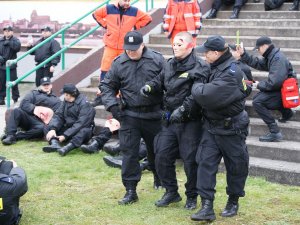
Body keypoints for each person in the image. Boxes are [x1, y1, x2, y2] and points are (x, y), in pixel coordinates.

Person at [140, 31, 210, 210]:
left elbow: (196, 95)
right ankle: (171, 191)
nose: (175, 47)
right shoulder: (169, 64)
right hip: (170, 119)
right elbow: (160, 80)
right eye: (173, 44)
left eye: (179, 44)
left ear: (189, 45)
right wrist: (150, 86)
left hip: (190, 121)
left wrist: (183, 110)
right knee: (161, 155)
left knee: (190, 160)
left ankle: (192, 195)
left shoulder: (200, 66)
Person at [100, 31, 164, 205]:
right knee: (129, 153)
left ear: (142, 45)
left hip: (154, 115)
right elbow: (106, 86)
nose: (131, 52)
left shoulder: (157, 60)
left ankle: (159, 177)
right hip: (129, 115)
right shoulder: (119, 62)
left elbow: (168, 83)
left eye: (134, 49)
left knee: (156, 151)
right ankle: (130, 190)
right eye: (128, 49)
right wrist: (113, 106)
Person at [190, 35, 250, 222]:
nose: (204, 56)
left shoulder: (231, 72)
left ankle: (233, 200)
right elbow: (246, 88)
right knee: (205, 163)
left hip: (231, 128)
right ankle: (206, 205)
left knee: (236, 166)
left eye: (206, 52)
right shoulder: (217, 66)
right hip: (212, 126)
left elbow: (205, 95)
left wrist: (197, 83)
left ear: (216, 53)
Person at [91, 0, 152, 106]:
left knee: (122, 72)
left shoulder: (134, 11)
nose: (127, 2)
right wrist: (106, 25)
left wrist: (135, 27)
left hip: (125, 47)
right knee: (105, 71)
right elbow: (95, 14)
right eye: (125, 0)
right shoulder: (109, 8)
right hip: (110, 45)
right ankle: (101, 95)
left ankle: (118, 97)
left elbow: (148, 19)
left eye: (129, 0)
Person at [236, 36, 296, 142]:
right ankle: (287, 112)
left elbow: (275, 83)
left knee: (258, 101)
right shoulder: (272, 56)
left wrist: (259, 85)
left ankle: (275, 132)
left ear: (264, 46)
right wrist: (243, 54)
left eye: (258, 49)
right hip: (282, 90)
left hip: (285, 92)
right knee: (260, 96)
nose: (258, 51)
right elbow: (258, 64)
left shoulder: (277, 59)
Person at [2, 77, 61, 145]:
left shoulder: (56, 100)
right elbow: (23, 104)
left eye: (48, 84)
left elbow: (58, 115)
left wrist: (47, 118)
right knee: (16, 111)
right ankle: (10, 135)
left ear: (51, 85)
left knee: (42, 129)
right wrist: (34, 109)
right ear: (41, 86)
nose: (46, 86)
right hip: (29, 117)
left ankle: (16, 137)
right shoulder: (33, 93)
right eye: (44, 85)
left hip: (41, 123)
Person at [42, 83, 95, 156]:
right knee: (47, 126)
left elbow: (81, 124)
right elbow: (59, 115)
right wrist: (53, 129)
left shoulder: (84, 104)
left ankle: (67, 148)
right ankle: (55, 143)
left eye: (64, 94)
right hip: (69, 128)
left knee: (84, 131)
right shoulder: (66, 101)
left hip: (80, 130)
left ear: (69, 95)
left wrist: (65, 135)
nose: (64, 95)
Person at [0, 156, 28, 225]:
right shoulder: (6, 184)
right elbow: (21, 182)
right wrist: (16, 168)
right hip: (5, 221)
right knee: (8, 165)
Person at [0, 25, 21, 105]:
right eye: (5, 31)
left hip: (11, 66)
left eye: (8, 31)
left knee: (13, 83)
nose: (6, 32)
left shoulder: (15, 40)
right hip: (1, 65)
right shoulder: (0, 40)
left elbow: (17, 48)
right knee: (1, 83)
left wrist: (9, 43)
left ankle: (15, 98)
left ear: (12, 32)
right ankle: (1, 99)